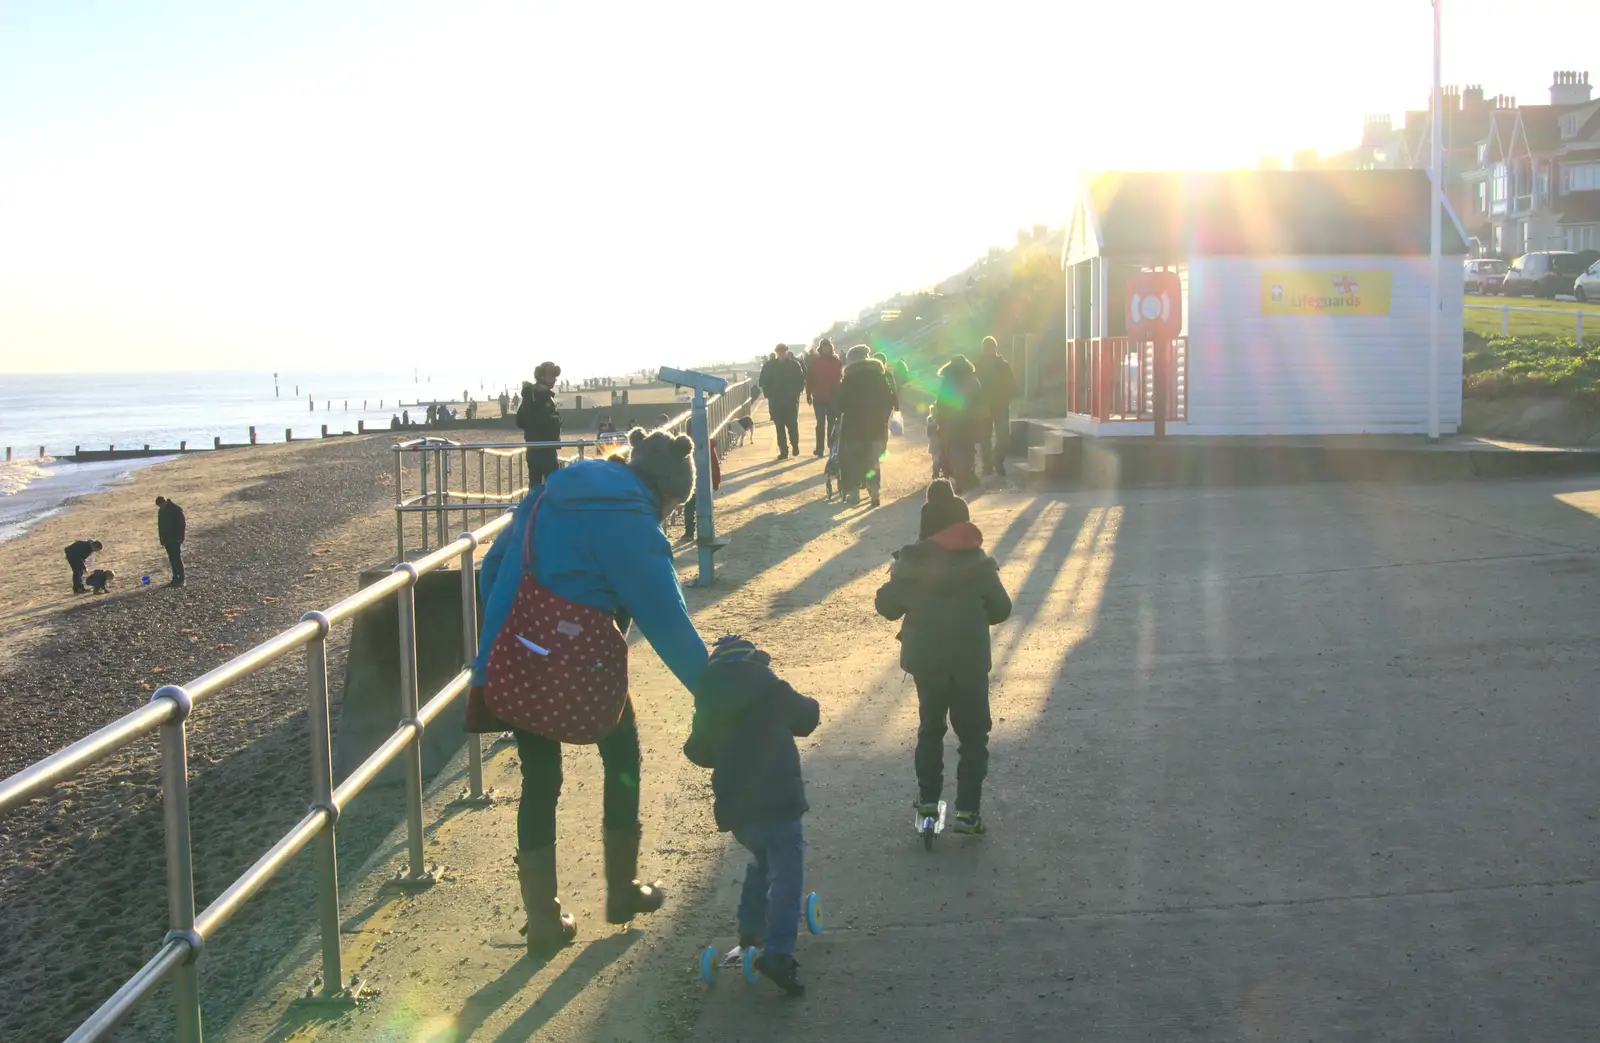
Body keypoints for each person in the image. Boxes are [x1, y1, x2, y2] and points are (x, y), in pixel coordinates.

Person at [467, 428, 709, 957]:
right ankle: (621, 892)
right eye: (673, 508)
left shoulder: (553, 489)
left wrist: (500, 644)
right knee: (622, 756)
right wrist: (715, 691)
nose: (667, 517)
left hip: (522, 653)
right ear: (665, 492)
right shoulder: (631, 518)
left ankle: (543, 921)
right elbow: (667, 622)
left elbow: (491, 568)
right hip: (586, 661)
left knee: (539, 781)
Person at [874, 480, 1011, 836]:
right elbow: (1002, 609)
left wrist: (898, 583)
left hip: (927, 662)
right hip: (969, 660)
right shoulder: (980, 566)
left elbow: (886, 607)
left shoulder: (911, 564)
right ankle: (967, 811)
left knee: (930, 729)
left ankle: (929, 805)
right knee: (973, 734)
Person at [684, 636, 819, 996]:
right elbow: (808, 718)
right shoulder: (772, 688)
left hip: (740, 812)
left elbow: (697, 750)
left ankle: (749, 931)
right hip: (779, 802)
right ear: (756, 662)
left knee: (761, 860)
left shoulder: (709, 700)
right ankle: (777, 953)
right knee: (787, 877)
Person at [835, 344, 897, 508]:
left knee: (854, 459)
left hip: (854, 426)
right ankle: (874, 491)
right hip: (876, 425)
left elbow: (840, 403)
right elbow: (889, 398)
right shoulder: (879, 374)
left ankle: (854, 493)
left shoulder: (849, 377)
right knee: (872, 459)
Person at [935, 356, 984, 493]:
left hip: (950, 422)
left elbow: (940, 401)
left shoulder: (947, 380)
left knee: (951, 449)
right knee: (968, 449)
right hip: (968, 422)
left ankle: (955, 476)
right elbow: (979, 400)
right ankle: (967, 476)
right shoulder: (972, 379)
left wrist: (939, 417)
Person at [973, 337, 1016, 477]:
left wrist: (1007, 398)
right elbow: (974, 389)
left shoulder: (1003, 365)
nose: (989, 350)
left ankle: (996, 461)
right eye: (987, 347)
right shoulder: (978, 366)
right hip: (985, 407)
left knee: (1002, 436)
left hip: (1001, 406)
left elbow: (1012, 385)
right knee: (986, 438)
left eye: (990, 347)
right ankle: (988, 465)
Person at [516, 361, 563, 485]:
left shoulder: (530, 396)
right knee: (552, 487)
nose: (555, 380)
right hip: (546, 449)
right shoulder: (542, 397)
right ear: (542, 377)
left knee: (535, 486)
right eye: (552, 376)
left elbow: (520, 421)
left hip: (533, 448)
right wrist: (555, 422)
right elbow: (543, 422)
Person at [758, 344, 805, 460]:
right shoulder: (769, 366)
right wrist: (769, 395)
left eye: (783, 351)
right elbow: (763, 381)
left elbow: (800, 380)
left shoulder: (794, 365)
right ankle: (783, 451)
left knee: (792, 425)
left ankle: (794, 445)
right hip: (776, 401)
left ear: (786, 352)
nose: (782, 354)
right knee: (779, 427)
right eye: (780, 352)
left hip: (791, 400)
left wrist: (796, 393)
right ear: (777, 353)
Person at [805, 339, 844, 458]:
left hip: (833, 396)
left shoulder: (836, 361)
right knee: (820, 423)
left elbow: (840, 378)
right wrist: (808, 393)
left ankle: (831, 446)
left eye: (827, 346)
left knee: (832, 423)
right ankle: (819, 449)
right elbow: (810, 378)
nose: (826, 349)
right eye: (823, 347)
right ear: (820, 348)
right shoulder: (815, 362)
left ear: (830, 348)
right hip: (818, 396)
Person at [155, 496, 187, 587]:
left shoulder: (175, 509)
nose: (161, 507)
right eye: (159, 506)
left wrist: (181, 537)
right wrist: (162, 539)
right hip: (167, 539)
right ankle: (175, 577)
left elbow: (182, 524)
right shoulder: (161, 511)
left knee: (177, 558)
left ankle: (182, 579)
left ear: (164, 502)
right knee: (172, 559)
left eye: (161, 505)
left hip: (176, 538)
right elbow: (160, 526)